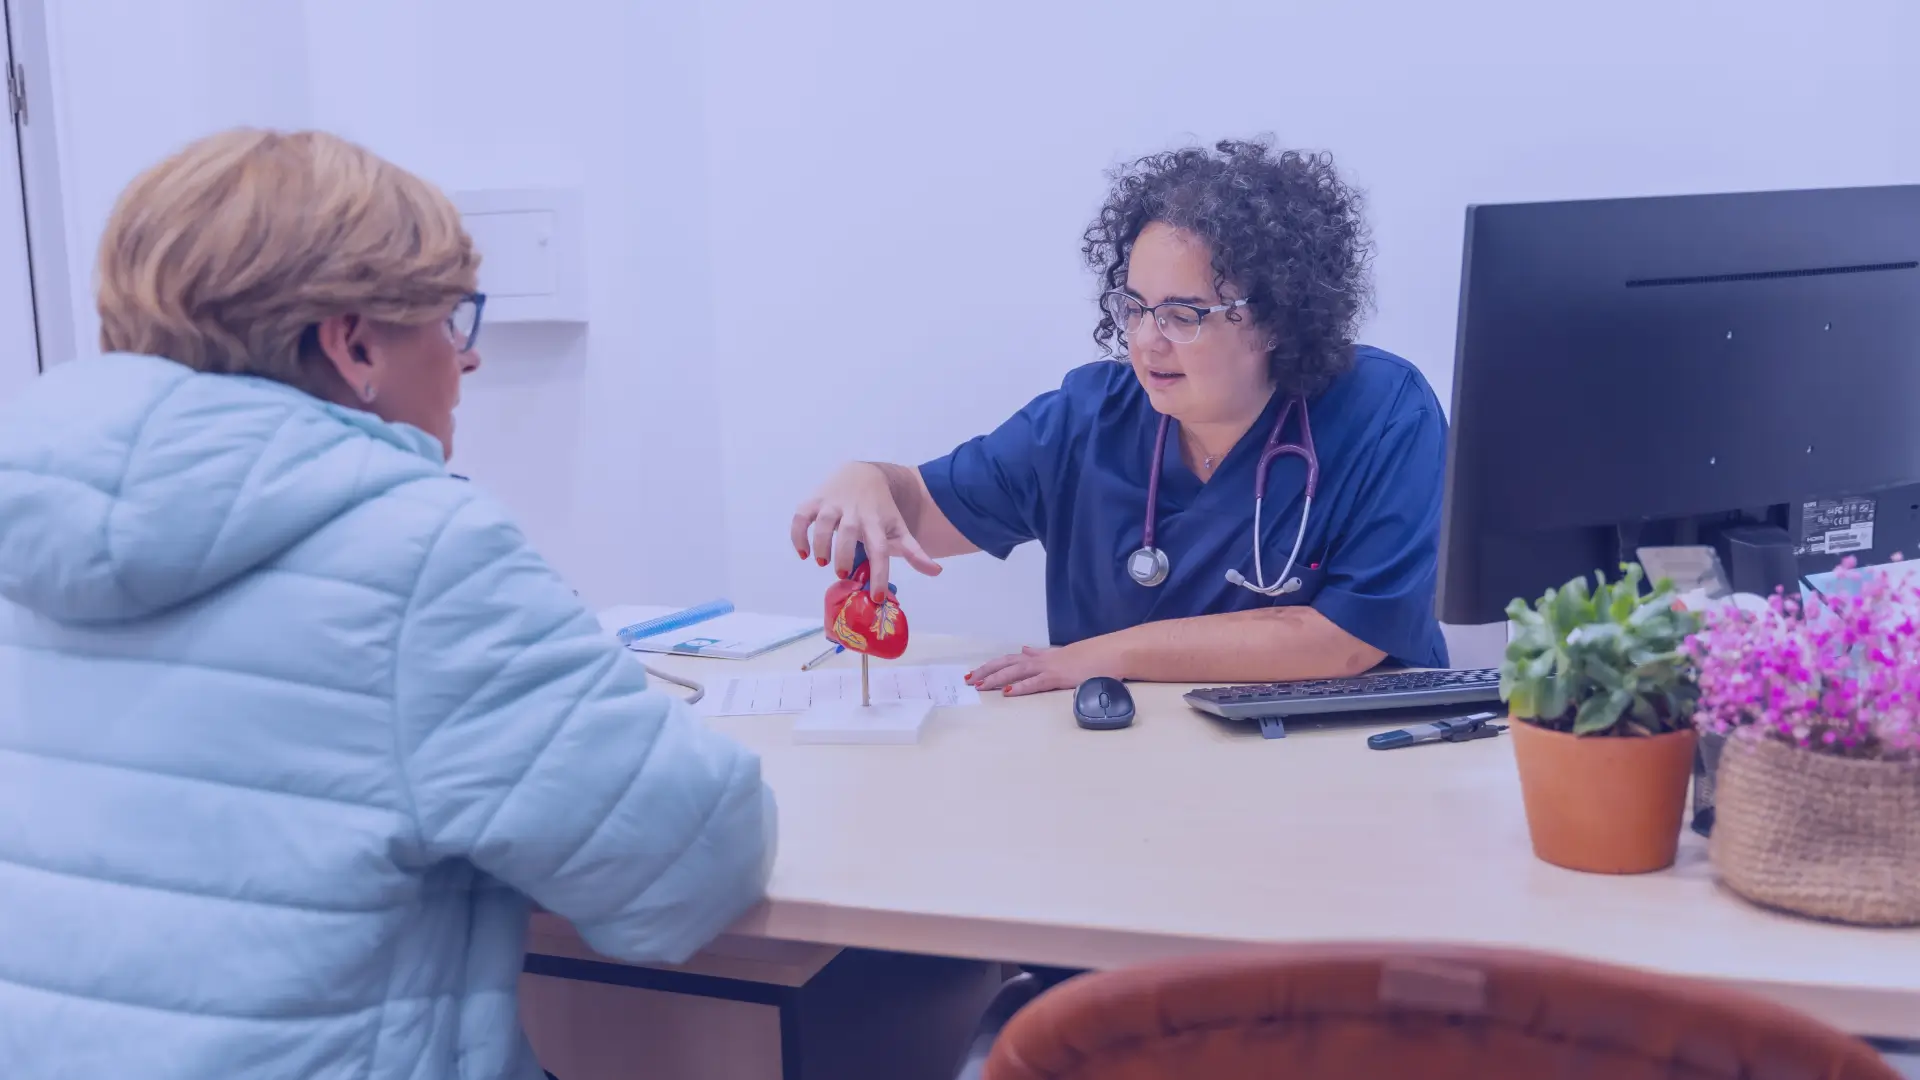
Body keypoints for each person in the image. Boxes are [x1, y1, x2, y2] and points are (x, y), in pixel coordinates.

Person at [0, 129, 775, 1080]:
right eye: (452, 322)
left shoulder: (26, 523)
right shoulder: (419, 555)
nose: (467, 360)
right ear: (355, 343)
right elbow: (692, 869)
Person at [792, 139, 1449, 695]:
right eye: (1134, 306)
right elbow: (920, 514)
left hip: (1346, 770)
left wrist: (1104, 656)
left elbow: (1346, 641)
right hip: (1126, 776)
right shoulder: (1088, 419)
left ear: (1275, 318)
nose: (1144, 340)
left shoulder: (1382, 413)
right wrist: (869, 482)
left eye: (1182, 315)